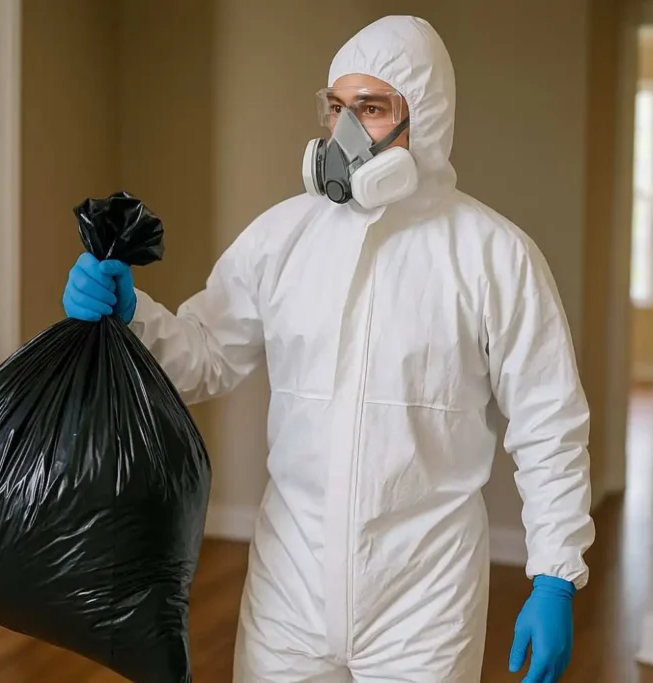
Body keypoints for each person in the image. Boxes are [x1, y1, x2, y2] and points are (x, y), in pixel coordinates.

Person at [62, 15, 594, 683]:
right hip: (291, 580)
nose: (345, 131)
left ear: (423, 116)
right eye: (337, 107)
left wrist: (554, 573)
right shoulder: (283, 237)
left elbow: (549, 423)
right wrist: (133, 316)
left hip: (424, 596)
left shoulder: (493, 256)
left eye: (370, 109)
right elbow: (205, 354)